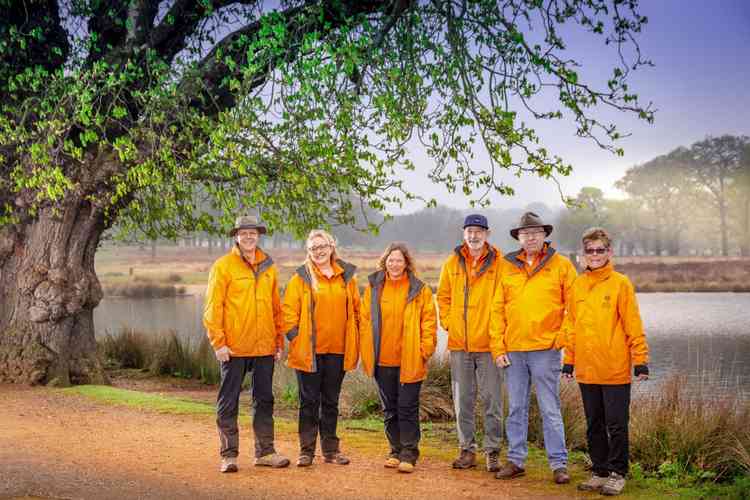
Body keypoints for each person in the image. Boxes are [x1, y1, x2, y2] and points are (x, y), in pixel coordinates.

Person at [561, 227, 649, 496]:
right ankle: (599, 471)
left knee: (616, 424)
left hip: (615, 368)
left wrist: (640, 360)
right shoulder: (578, 285)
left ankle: (618, 473)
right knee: (594, 423)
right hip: (587, 370)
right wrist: (569, 361)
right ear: (582, 254)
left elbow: (633, 324)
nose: (595, 255)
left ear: (609, 252)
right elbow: (571, 326)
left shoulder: (620, 283)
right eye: (590, 250)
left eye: (600, 250)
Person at [491, 211, 576, 484]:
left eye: (536, 233)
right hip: (513, 350)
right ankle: (516, 460)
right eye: (525, 233)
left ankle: (559, 464)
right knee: (516, 407)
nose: (530, 237)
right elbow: (496, 309)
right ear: (519, 237)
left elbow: (574, 308)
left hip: (546, 350)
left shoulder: (561, 266)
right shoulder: (506, 267)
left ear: (544, 235)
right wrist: (498, 347)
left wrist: (561, 338)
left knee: (550, 408)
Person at [203, 215, 290, 473]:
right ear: (236, 236)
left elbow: (276, 307)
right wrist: (218, 343)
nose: (249, 237)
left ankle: (265, 452)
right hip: (234, 348)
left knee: (264, 401)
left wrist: (278, 341)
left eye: (253, 233)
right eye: (244, 233)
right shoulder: (223, 266)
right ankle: (228, 455)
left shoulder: (269, 266)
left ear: (258, 236)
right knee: (228, 401)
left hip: (264, 347)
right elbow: (212, 308)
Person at [282, 229, 360, 467]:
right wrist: (296, 338)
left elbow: (358, 311)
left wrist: (356, 340)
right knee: (308, 402)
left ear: (331, 246)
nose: (319, 251)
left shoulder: (347, 277)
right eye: (314, 248)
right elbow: (288, 314)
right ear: (308, 251)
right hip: (309, 352)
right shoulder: (301, 278)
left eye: (322, 246)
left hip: (338, 350)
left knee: (330, 402)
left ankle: (331, 450)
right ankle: (306, 451)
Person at [360, 242, 437, 474]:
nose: (394, 264)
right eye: (391, 260)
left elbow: (429, 322)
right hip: (382, 361)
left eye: (399, 260)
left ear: (406, 263)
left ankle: (409, 453)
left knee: (407, 407)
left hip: (410, 359)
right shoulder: (374, 287)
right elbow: (364, 320)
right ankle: (394, 450)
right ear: (385, 262)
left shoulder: (419, 289)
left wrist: (425, 349)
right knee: (390, 409)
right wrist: (366, 351)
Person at [436, 214, 504, 472]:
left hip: (489, 345)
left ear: (487, 233)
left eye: (478, 231)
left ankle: (493, 451)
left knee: (492, 401)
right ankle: (466, 450)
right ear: (463, 233)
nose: (473, 235)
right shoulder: (451, 263)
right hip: (459, 345)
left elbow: (507, 298)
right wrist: (449, 323)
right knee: (462, 400)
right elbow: (442, 296)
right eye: (469, 231)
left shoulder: (500, 264)